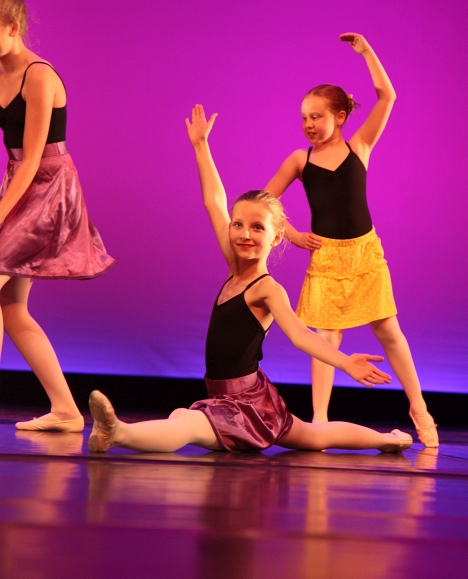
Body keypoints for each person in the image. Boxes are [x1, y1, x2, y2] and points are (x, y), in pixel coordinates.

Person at [87, 105, 412, 455]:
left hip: (246, 404)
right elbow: (214, 202)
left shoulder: (267, 288)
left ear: (276, 237)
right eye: (238, 225)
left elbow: (301, 335)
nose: (244, 234)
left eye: (258, 227)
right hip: (231, 398)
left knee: (190, 422)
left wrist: (345, 361)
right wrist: (201, 146)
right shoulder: (234, 266)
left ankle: (116, 432)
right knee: (312, 437)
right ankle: (388, 439)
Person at [264, 33, 438, 447]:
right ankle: (320, 420)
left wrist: (367, 53)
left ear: (340, 116)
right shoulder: (300, 160)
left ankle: (419, 408)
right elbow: (265, 201)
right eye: (304, 117)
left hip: (364, 253)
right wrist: (291, 234)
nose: (308, 124)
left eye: (316, 116)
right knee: (326, 338)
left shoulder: (359, 146)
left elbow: (387, 96)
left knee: (389, 330)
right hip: (326, 258)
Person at [0, 0, 115, 433]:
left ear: (12, 27)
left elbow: (32, 161)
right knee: (12, 307)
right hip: (19, 182)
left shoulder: (39, 75)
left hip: (49, 188)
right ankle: (66, 410)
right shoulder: (1, 73)